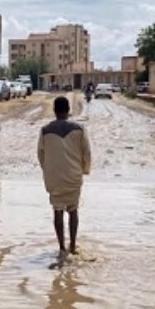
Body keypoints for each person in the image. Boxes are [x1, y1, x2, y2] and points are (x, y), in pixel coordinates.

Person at [37, 97, 91, 258]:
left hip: (54, 177)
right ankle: (73, 246)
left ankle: (61, 248)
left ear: (54, 110)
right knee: (73, 210)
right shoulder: (80, 129)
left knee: (57, 211)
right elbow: (86, 153)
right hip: (73, 176)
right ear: (68, 110)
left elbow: (41, 154)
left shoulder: (45, 130)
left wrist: (48, 171)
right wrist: (84, 170)